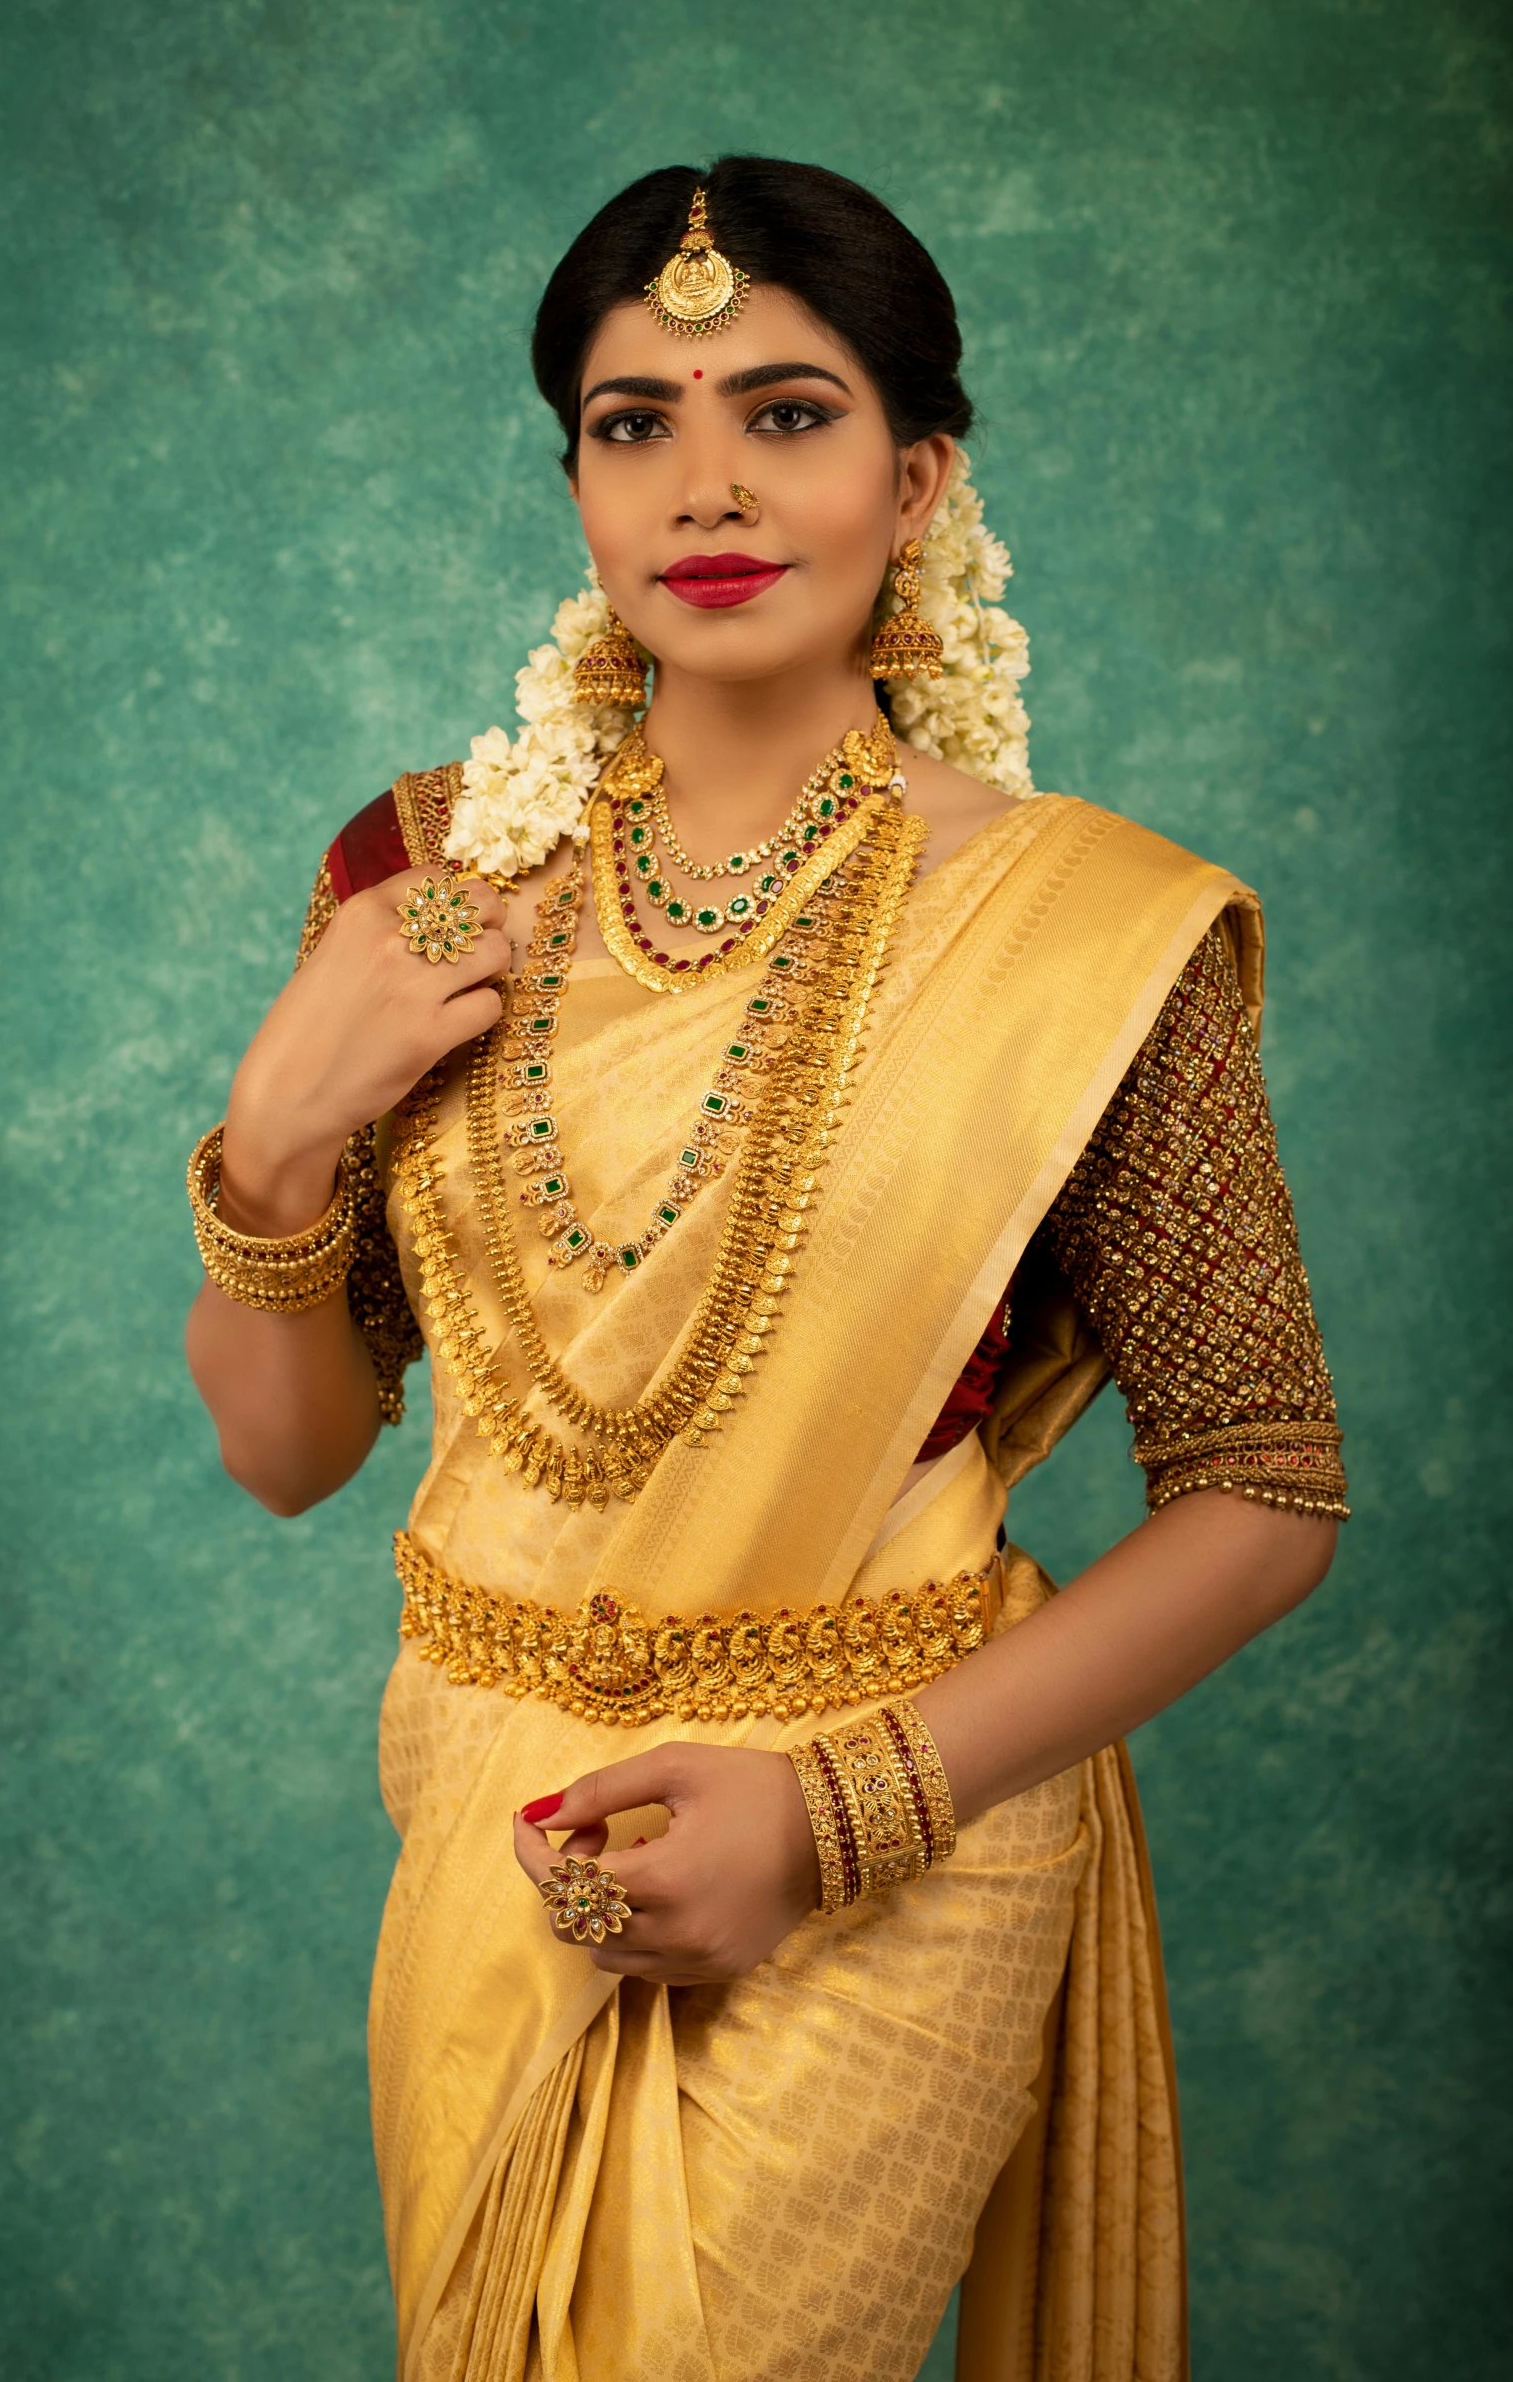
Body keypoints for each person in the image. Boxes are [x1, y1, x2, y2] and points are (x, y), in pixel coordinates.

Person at [185, 157, 1347, 2382]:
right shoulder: (425, 878)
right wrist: (277, 1135)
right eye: (636, 422)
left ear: (919, 481)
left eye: (789, 413)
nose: (708, 482)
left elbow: (1263, 1486)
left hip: (892, 1822)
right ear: (577, 486)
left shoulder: (1081, 934)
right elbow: (286, 1453)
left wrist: (835, 1814)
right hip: (486, 1811)